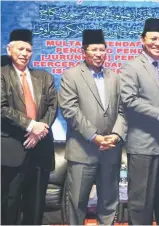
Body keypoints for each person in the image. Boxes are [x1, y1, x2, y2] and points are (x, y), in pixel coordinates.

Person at [58, 29, 127, 225]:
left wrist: (115, 135)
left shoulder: (116, 78)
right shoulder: (71, 76)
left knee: (108, 202)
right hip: (83, 151)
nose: (99, 54)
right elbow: (70, 110)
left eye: (102, 50)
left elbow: (123, 111)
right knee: (77, 202)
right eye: (94, 50)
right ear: (84, 51)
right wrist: (94, 136)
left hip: (111, 150)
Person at [119, 18, 159, 225]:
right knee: (140, 201)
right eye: (153, 38)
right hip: (144, 144)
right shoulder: (131, 67)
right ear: (142, 40)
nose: (158, 43)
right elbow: (128, 100)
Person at [1, 29, 58, 225]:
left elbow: (53, 107)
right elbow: (2, 108)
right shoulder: (2, 75)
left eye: (29, 49)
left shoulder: (43, 77)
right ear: (9, 50)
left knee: (35, 205)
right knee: (9, 203)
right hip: (11, 151)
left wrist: (39, 132)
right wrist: (31, 125)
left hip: (40, 150)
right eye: (20, 49)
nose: (25, 53)